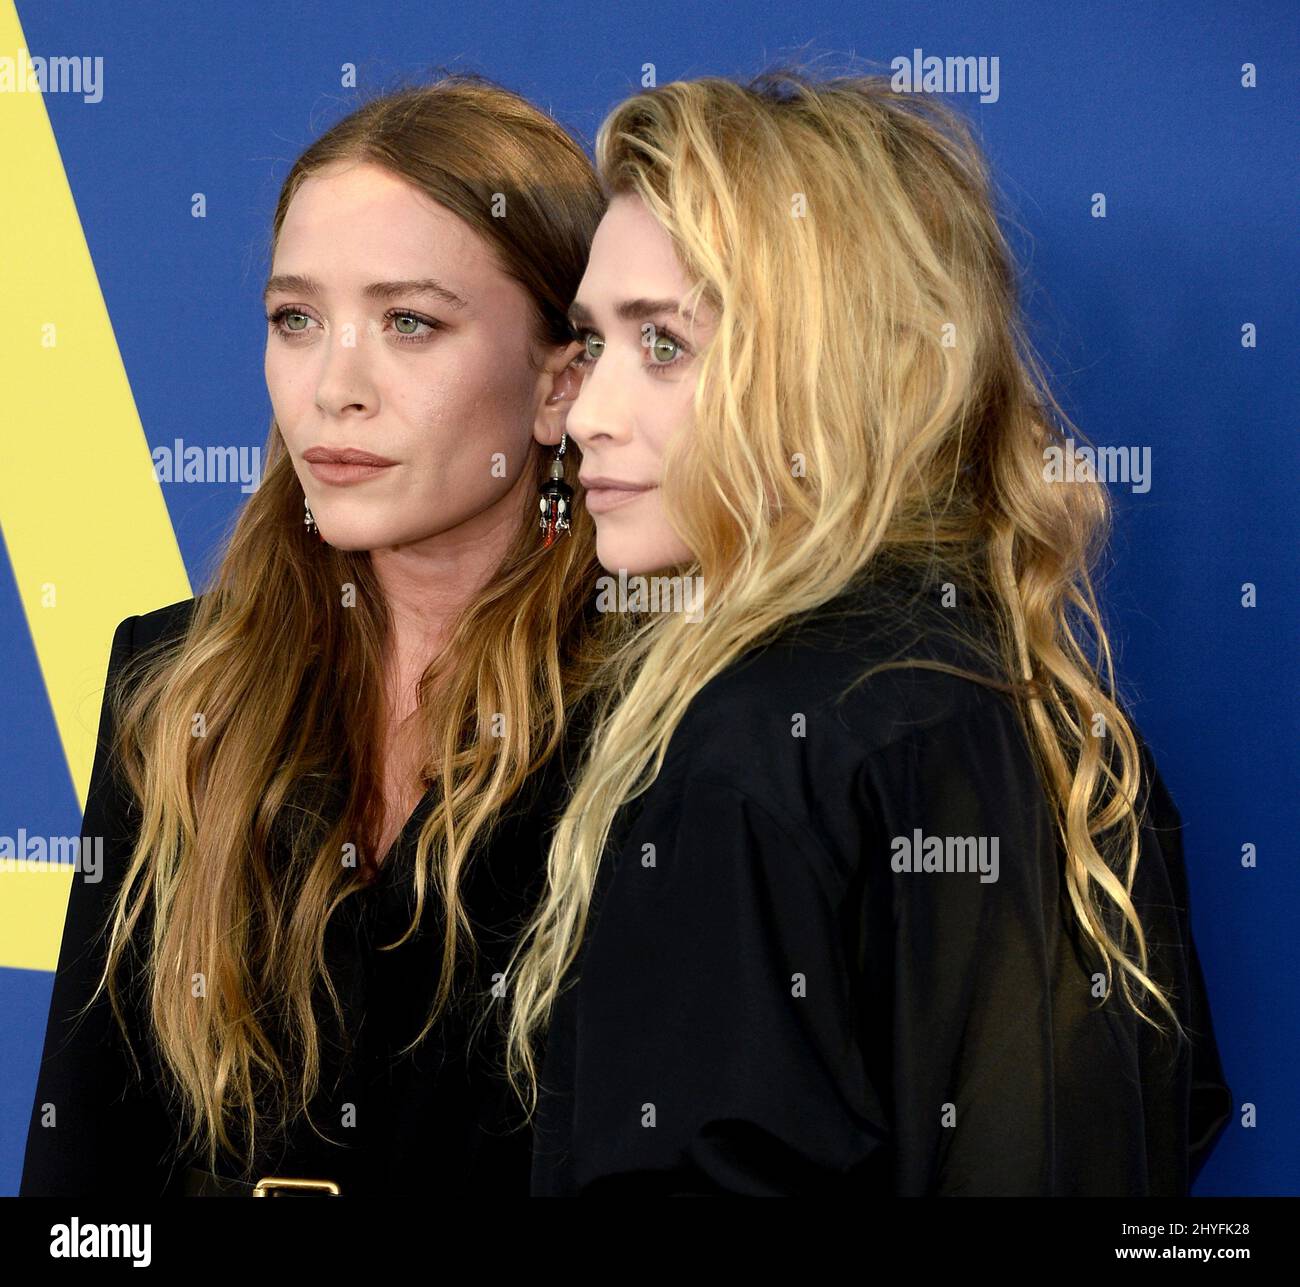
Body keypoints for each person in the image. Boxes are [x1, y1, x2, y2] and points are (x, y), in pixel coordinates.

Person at [502, 70, 1234, 1196]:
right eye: (592, 342)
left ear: (834, 367)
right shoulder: (1072, 736)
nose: (587, 414)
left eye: (665, 345)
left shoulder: (747, 753)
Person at [21, 74, 609, 1197]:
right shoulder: (174, 680)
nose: (333, 386)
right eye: (296, 319)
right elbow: (84, 1183)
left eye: (409, 323)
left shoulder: (660, 719)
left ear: (557, 383)